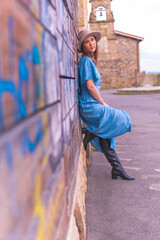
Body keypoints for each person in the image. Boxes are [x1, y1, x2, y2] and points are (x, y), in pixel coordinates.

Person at [77, 29, 135, 180]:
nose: (91, 43)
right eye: (87, 41)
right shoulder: (86, 61)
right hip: (89, 105)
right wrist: (103, 103)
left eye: (92, 40)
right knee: (123, 118)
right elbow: (90, 86)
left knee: (106, 133)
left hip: (91, 104)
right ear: (83, 46)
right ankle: (93, 132)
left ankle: (116, 169)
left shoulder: (89, 61)